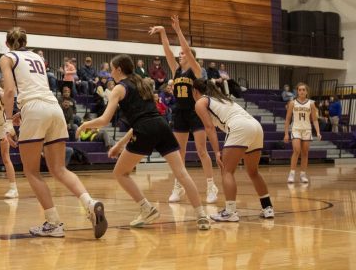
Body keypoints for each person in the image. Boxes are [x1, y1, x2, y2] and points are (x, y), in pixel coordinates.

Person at [77, 54, 211, 230]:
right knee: (182, 173)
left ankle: (146, 208)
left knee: (120, 173)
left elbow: (104, 120)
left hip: (145, 130)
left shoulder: (119, 88)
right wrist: (119, 144)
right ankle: (201, 215)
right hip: (161, 126)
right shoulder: (142, 84)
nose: (110, 72)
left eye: (111, 69)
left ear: (118, 69)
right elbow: (146, 117)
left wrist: (84, 125)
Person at [0, 27, 107, 238]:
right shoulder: (38, 58)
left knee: (31, 171)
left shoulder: (7, 57)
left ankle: (54, 223)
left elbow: (10, 90)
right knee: (59, 169)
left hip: (34, 108)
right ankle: (89, 202)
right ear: (25, 41)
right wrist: (23, 111)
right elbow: (38, 86)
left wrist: (7, 123)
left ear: (7, 44)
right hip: (54, 106)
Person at [150, 16, 219, 204]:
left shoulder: (196, 70)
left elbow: (187, 50)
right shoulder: (176, 70)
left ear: (190, 57)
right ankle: (178, 187)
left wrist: (178, 30)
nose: (180, 55)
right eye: (179, 54)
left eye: (182, 54)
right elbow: (167, 52)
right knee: (178, 154)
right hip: (179, 113)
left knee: (201, 151)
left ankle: (211, 186)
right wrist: (163, 32)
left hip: (196, 113)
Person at [192, 78, 274, 222]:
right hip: (255, 126)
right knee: (253, 172)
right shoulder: (223, 99)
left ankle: (230, 211)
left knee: (227, 171)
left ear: (195, 91)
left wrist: (217, 152)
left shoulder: (200, 102)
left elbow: (209, 128)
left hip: (240, 127)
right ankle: (268, 208)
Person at [283, 83, 321, 183]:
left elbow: (315, 119)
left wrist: (318, 132)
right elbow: (287, 119)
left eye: (304, 90)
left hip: (307, 130)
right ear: (297, 91)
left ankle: (303, 174)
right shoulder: (292, 103)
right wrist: (286, 133)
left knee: (305, 153)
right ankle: (292, 174)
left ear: (307, 92)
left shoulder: (311, 103)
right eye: (300, 90)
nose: (302, 91)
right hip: (296, 129)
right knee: (296, 150)